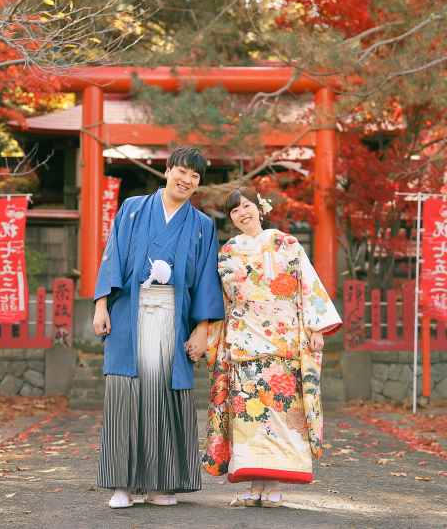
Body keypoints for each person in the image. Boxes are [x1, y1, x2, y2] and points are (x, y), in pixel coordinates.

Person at [92, 145, 225, 509]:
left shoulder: (202, 225)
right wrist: (101, 305)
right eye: (182, 171)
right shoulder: (133, 208)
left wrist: (201, 330)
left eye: (195, 177)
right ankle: (122, 485)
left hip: (172, 318)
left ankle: (158, 485)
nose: (187, 180)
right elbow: (112, 256)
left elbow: (206, 282)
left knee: (164, 400)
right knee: (125, 397)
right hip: (128, 315)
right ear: (167, 170)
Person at [201, 186, 342, 507]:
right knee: (247, 418)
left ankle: (274, 483)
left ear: (259, 208)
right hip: (243, 344)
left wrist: (316, 326)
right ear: (231, 218)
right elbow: (218, 299)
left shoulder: (286, 244)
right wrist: (210, 339)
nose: (242, 213)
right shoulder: (227, 253)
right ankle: (253, 482)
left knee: (279, 417)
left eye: (246, 206)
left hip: (283, 343)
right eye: (234, 210)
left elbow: (307, 284)